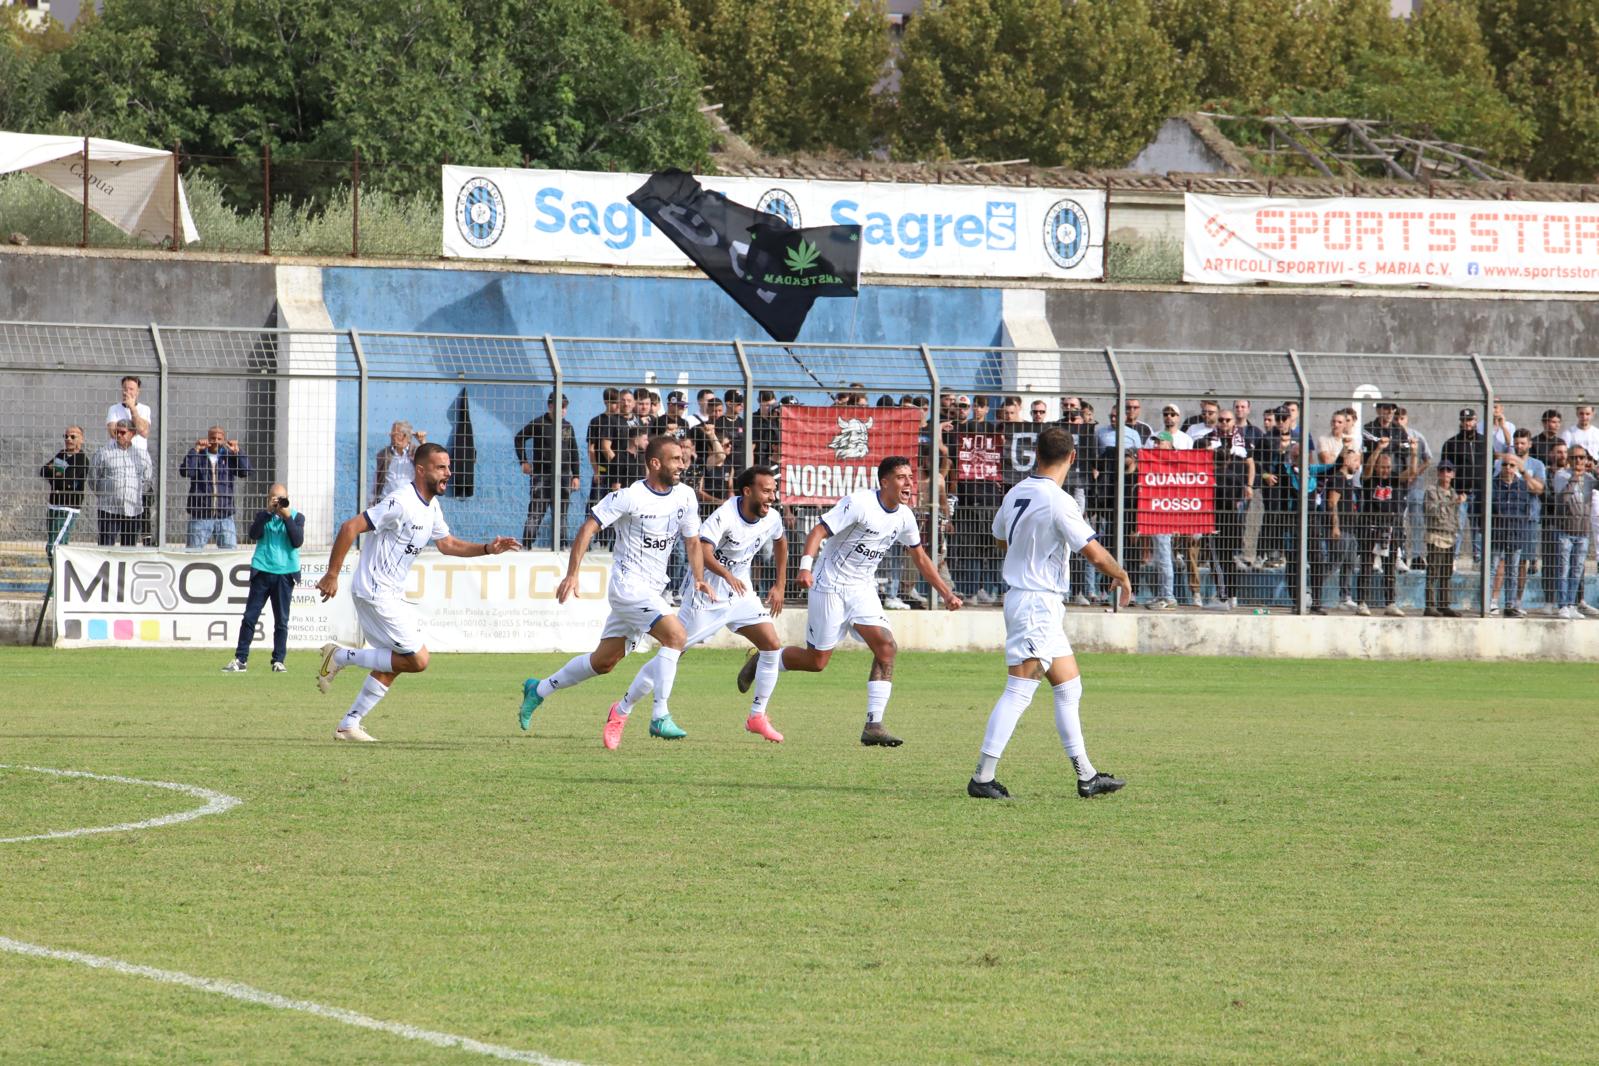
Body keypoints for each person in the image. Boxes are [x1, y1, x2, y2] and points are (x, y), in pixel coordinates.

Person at [734, 456, 963, 747]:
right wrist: (805, 566)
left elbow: (919, 556)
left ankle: (874, 724)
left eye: (910, 477)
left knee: (886, 647)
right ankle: (765, 660)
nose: (908, 483)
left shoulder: (905, 516)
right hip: (829, 585)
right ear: (884, 482)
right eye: (902, 477)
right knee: (817, 662)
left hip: (861, 590)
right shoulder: (859, 503)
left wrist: (946, 593)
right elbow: (818, 531)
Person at [967, 425, 1131, 800]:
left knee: (1069, 686)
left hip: (1034, 601)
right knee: (1019, 690)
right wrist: (1121, 575)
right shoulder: (1060, 501)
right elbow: (1092, 551)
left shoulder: (1016, 492)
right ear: (1072, 458)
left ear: (1035, 455)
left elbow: (999, 537)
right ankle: (982, 777)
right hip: (1036, 602)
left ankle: (1087, 776)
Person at [315, 443, 520, 741]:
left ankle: (349, 723)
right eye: (441, 467)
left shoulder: (431, 506)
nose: (448, 473)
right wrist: (332, 574)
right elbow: (349, 528)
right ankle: (342, 656)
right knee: (418, 659)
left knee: (399, 659)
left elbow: (448, 544)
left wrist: (488, 549)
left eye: (448, 467)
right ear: (421, 470)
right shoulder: (400, 502)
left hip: (389, 594)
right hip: (375, 591)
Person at [518, 435, 712, 737]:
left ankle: (539, 689)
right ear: (655, 463)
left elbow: (692, 541)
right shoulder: (629, 497)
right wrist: (572, 574)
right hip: (628, 588)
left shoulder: (685, 496)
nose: (682, 464)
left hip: (653, 589)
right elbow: (588, 527)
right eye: (675, 459)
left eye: (683, 458)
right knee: (676, 638)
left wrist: (699, 579)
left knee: (603, 662)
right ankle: (659, 715)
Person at [607, 465, 789, 748]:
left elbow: (781, 542)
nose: (771, 497)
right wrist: (726, 574)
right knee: (672, 653)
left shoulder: (772, 517)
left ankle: (757, 716)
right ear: (747, 491)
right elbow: (703, 550)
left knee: (771, 644)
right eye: (766, 491)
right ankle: (621, 710)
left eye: (773, 491)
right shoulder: (725, 515)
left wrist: (779, 584)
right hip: (707, 598)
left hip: (741, 595)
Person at [223, 484, 305, 674]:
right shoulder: (263, 516)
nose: (278, 502)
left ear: (288, 498)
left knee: (281, 620)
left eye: (282, 499)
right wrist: (268, 512)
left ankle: (278, 660)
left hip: (285, 573)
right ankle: (240, 659)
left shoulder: (297, 517)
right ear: (269, 499)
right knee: (250, 617)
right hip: (262, 571)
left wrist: (286, 516)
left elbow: (297, 541)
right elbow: (253, 534)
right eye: (275, 499)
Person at [515, 394, 581, 549]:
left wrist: (576, 476)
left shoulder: (567, 427)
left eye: (565, 407)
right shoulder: (539, 423)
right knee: (536, 512)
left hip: (564, 476)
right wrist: (523, 461)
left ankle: (561, 547)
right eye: (560, 406)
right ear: (550, 406)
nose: (563, 410)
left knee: (561, 515)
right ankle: (527, 546)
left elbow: (574, 451)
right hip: (541, 475)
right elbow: (519, 438)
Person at [179, 425, 252, 550]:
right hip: (200, 515)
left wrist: (237, 452)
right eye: (213, 438)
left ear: (223, 440)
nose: (216, 442)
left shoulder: (228, 457)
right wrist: (195, 450)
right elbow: (186, 472)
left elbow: (246, 472)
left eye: (219, 439)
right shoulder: (199, 456)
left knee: (229, 554)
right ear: (208, 438)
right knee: (193, 553)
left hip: (225, 516)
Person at [1545, 446, 1595, 619]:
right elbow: (1564, 498)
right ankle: (1563, 605)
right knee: (1563, 568)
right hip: (1565, 530)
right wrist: (1575, 477)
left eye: (1582, 458)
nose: (1578, 461)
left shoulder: (1590, 478)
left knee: (1577, 569)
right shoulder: (1561, 475)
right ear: (1569, 459)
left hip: (1583, 530)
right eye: (1574, 458)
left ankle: (1573, 604)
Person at [106, 375, 155, 545]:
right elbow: (113, 432)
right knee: (116, 504)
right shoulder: (114, 409)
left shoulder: (144, 409)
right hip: (118, 462)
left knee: (142, 502)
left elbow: (143, 431)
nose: (127, 392)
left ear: (138, 391)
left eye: (131, 389)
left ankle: (144, 538)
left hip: (138, 463)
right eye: (125, 388)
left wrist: (133, 409)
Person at [90, 420, 153, 546]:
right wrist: (105, 494)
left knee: (128, 549)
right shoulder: (104, 452)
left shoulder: (142, 454)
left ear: (132, 433)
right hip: (108, 509)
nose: (118, 435)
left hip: (133, 509)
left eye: (122, 432)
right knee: (106, 547)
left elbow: (147, 478)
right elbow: (93, 478)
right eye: (116, 432)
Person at [39, 425, 89, 563]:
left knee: (54, 548)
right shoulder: (61, 454)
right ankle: (60, 579)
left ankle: (61, 579)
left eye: (73, 436)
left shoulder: (81, 459)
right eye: (66, 436)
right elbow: (43, 471)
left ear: (81, 439)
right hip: (53, 505)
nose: (69, 439)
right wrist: (58, 474)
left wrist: (54, 471)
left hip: (67, 507)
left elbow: (68, 481)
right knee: (56, 545)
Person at [1422, 462, 1464, 617]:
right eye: (1442, 470)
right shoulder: (1431, 491)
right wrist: (1452, 502)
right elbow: (1431, 510)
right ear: (1438, 473)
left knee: (1446, 572)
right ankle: (1430, 605)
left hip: (1450, 535)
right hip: (1436, 534)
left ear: (1453, 474)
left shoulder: (1453, 492)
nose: (1445, 473)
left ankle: (1444, 604)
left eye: (1449, 470)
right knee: (1433, 571)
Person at [373, 421, 425, 504]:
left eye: (396, 434)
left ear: (406, 436)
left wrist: (422, 442)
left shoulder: (416, 452)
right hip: (387, 501)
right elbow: (377, 480)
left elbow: (430, 462)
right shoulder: (384, 454)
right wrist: (372, 501)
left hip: (410, 502)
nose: (392, 436)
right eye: (392, 434)